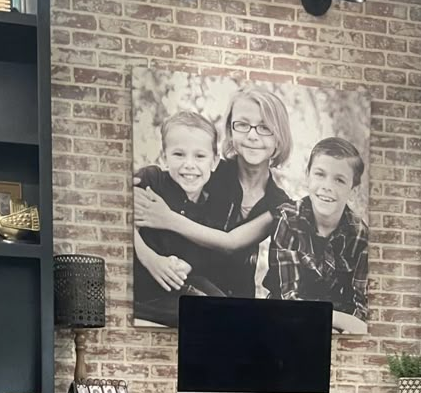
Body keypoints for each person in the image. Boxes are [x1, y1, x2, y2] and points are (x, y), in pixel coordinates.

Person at [134, 86, 292, 297]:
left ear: (279, 136)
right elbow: (167, 181)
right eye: (242, 125)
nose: (253, 135)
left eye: (265, 127)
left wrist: (166, 218)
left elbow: (231, 243)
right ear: (230, 131)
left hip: (234, 296)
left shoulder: (279, 204)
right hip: (181, 282)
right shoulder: (207, 170)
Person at [264, 137, 368, 334]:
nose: (327, 186)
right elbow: (288, 300)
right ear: (307, 176)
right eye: (320, 174)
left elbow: (361, 310)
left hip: (338, 332)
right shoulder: (288, 220)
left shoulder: (360, 237)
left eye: (339, 179)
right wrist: (335, 319)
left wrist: (343, 329)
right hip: (285, 324)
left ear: (353, 190)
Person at [133, 110, 227, 327]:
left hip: (177, 288)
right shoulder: (152, 180)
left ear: (213, 162)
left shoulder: (212, 208)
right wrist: (149, 257)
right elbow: (118, 216)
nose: (189, 164)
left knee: (226, 306)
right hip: (144, 288)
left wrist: (186, 266)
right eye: (179, 154)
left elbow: (204, 253)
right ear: (164, 157)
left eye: (200, 156)